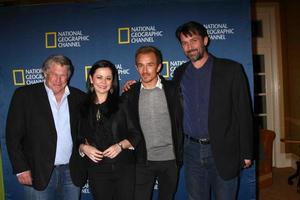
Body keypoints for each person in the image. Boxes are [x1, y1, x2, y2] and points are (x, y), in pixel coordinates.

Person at [173, 21, 253, 200]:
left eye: (193, 40)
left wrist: (247, 152)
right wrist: (135, 86)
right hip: (191, 150)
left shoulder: (231, 69)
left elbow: (244, 113)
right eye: (184, 43)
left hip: (224, 149)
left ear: (205, 40)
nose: (189, 47)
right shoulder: (179, 73)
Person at [6, 55, 86, 199]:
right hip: (37, 171)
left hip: (71, 172)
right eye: (54, 74)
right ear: (45, 73)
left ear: (68, 76)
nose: (58, 80)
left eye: (63, 75)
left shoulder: (79, 97)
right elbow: (13, 136)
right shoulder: (25, 95)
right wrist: (21, 168)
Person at [69, 60, 141, 200]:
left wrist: (120, 146)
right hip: (96, 170)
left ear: (113, 81)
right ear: (91, 78)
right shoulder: (81, 107)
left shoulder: (123, 104)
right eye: (99, 77)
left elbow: (136, 134)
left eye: (108, 78)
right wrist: (83, 148)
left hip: (124, 168)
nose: (103, 82)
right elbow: (77, 138)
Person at [122, 45, 183, 200]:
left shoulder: (173, 90)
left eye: (150, 65)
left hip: (170, 159)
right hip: (142, 160)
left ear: (159, 66)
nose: (145, 70)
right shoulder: (130, 94)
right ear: (136, 67)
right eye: (141, 65)